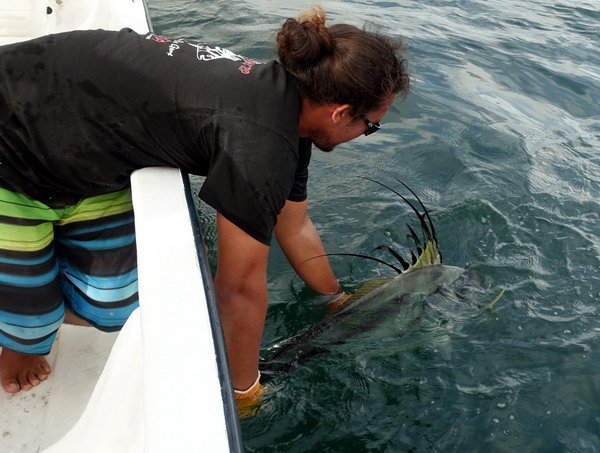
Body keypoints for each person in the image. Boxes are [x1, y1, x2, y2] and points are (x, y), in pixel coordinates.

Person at [0, 5, 409, 400]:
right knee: (33, 329)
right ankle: (20, 334)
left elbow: (295, 224)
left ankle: (30, 287)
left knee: (116, 309)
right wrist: (244, 392)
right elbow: (238, 290)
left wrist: (337, 300)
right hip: (12, 146)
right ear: (340, 113)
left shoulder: (287, 109)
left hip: (77, 147)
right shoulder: (259, 142)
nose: (366, 133)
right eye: (371, 126)